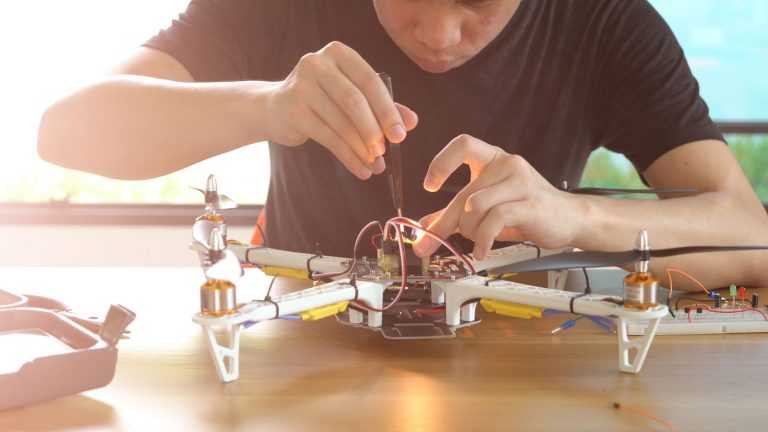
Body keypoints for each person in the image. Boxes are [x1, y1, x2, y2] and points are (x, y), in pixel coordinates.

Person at [38, 0, 768, 290]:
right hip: (299, 360)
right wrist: (268, 103)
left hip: (524, 367)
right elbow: (67, 130)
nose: (441, 37)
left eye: (477, 5)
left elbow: (749, 234)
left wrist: (576, 217)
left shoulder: (602, 22)